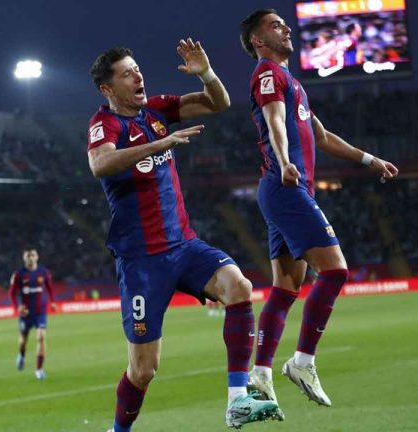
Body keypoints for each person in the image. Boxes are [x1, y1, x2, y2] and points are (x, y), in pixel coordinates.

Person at [87, 41, 282, 430]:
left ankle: (237, 400)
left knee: (239, 287)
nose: (138, 75)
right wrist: (159, 144)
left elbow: (218, 103)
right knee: (143, 370)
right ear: (107, 89)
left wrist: (207, 73)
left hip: (184, 245)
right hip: (142, 260)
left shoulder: (156, 110)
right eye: (127, 73)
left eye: (137, 68)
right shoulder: (104, 124)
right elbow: (101, 163)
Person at [239, 8, 399, 406]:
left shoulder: (291, 81)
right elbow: (276, 121)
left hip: (281, 188)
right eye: (276, 25)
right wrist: (284, 159)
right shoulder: (267, 73)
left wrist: (369, 159)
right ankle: (302, 360)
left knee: (286, 287)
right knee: (335, 270)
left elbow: (321, 135)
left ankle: (259, 372)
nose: (287, 28)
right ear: (259, 40)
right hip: (286, 185)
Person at [8, 247, 54, 380]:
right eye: (28, 256)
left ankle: (39, 369)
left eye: (32, 255)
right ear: (24, 258)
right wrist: (18, 307)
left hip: (40, 312)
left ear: (37, 257)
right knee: (23, 341)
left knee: (41, 337)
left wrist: (53, 301)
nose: (30, 258)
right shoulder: (18, 274)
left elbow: (50, 287)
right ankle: (21, 355)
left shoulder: (43, 272)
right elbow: (11, 293)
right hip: (26, 313)